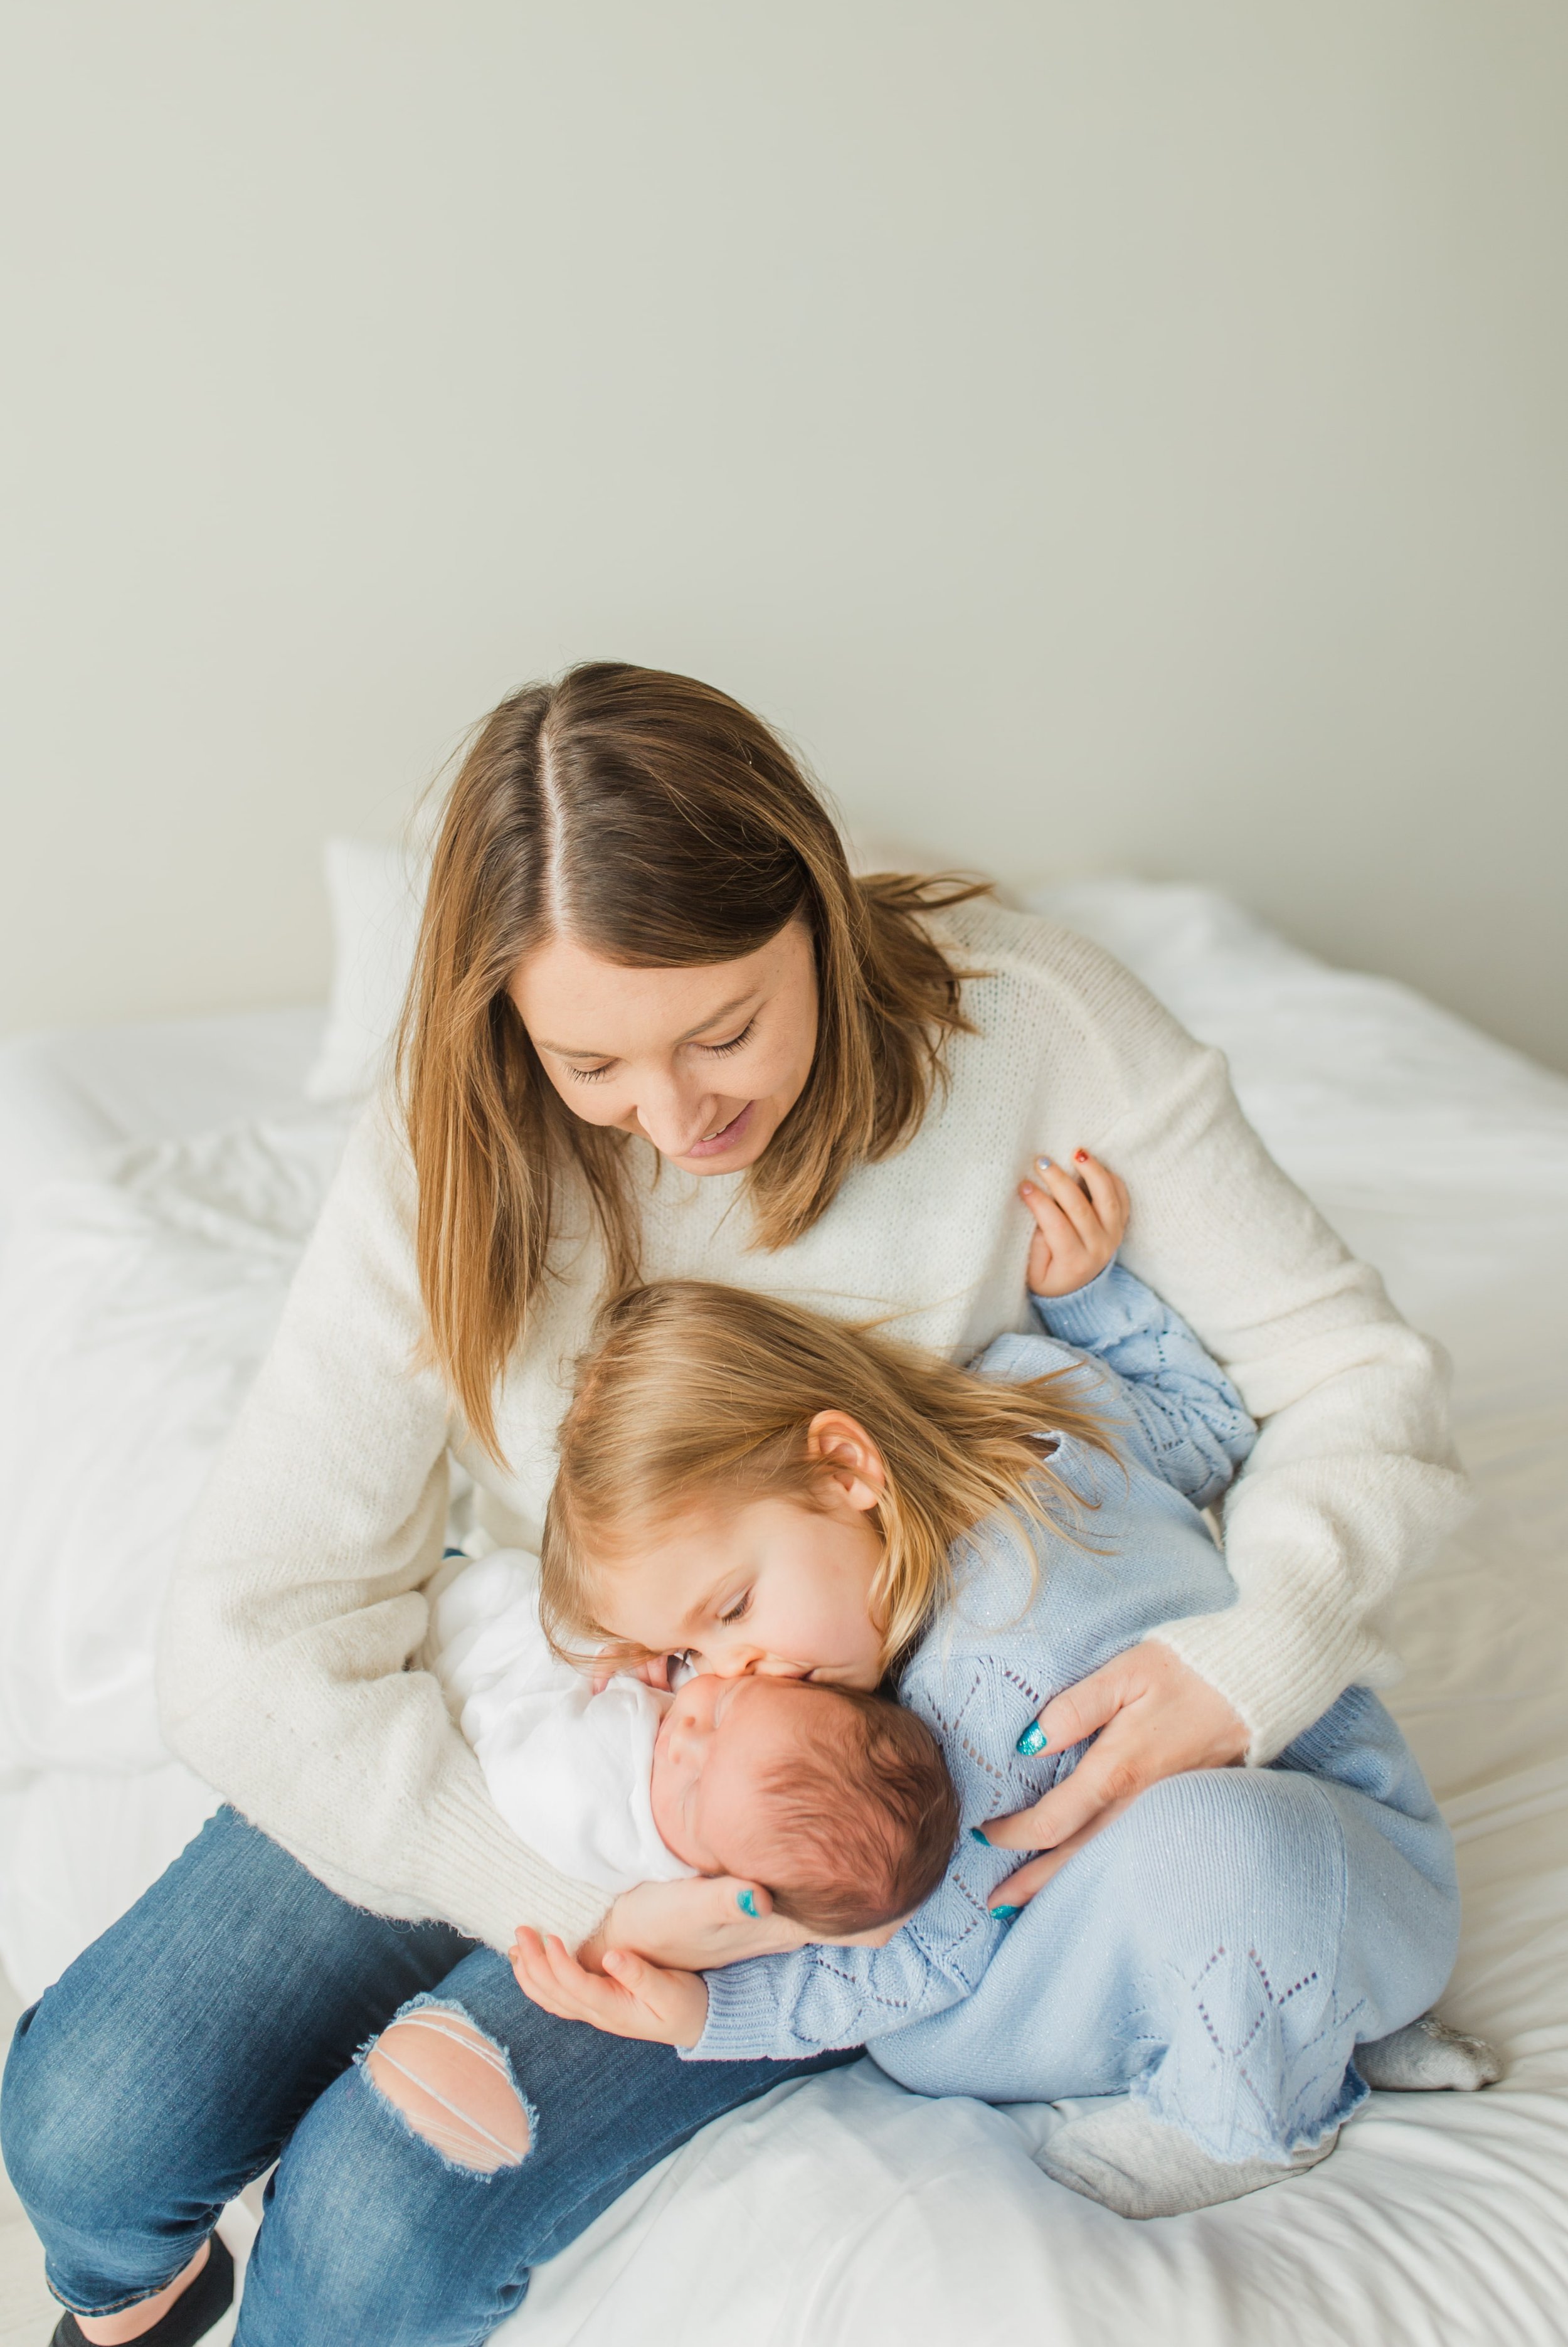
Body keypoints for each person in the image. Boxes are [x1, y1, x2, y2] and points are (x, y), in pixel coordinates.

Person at [2, 663, 1464, 2343]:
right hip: (562, 1718)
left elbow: (1352, 1374)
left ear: (818, 916)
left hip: (831, 1799)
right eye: (593, 1065)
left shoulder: (1030, 1022)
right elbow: (250, 1627)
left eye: (722, 1028)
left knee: (374, 2219)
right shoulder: (464, 1150)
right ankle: (140, 2304)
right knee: (83, 2132)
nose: (677, 1115)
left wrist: (1254, 1646)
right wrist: (565, 1897)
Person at [511, 1161, 1477, 2218]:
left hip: (1300, 1868)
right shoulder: (1029, 1400)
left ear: (846, 1468)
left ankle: (1242, 2119)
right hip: (1328, 1898)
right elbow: (1206, 1434)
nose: (737, 1676)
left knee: (1218, 1844)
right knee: (1218, 1855)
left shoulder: (975, 1698)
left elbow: (909, 1959)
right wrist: (1089, 1301)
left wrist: (707, 2018)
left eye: (732, 1609)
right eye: (688, 1655)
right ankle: (1298, 2027)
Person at [432, 1545, 958, 1929]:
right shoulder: (727, 1786)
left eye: (690, 1795)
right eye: (725, 1709)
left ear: (721, 1879)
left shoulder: (606, 1805)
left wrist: (602, 1649)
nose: (682, 1739)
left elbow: (516, 1741)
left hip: (456, 1645)